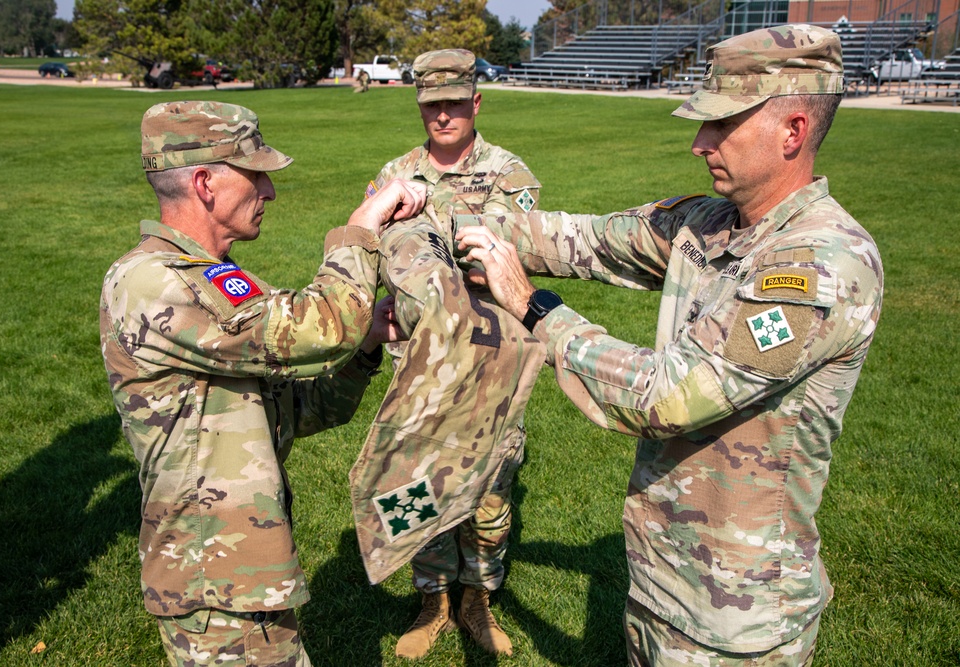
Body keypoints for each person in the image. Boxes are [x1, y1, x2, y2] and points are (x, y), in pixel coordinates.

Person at [455, 24, 883, 665]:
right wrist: (452, 223)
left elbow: (670, 396)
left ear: (793, 131)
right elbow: (587, 238)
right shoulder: (710, 223)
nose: (698, 143)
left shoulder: (822, 266)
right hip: (659, 580)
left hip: (736, 616)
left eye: (721, 126)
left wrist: (532, 306)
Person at [99, 100, 424, 666]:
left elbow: (296, 407)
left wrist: (366, 343)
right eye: (257, 175)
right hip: (215, 583)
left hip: (241, 572)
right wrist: (360, 228)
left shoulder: (211, 279)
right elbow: (320, 327)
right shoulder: (154, 282)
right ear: (204, 183)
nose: (270, 192)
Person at [370, 48, 540, 659]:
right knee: (419, 483)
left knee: (490, 492)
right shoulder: (396, 171)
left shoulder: (508, 173)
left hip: (490, 361)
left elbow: (495, 250)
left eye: (452, 103)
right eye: (430, 105)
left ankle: (479, 597)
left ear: (476, 101)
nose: (442, 115)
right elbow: (377, 245)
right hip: (419, 364)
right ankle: (433, 597)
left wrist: (421, 219)